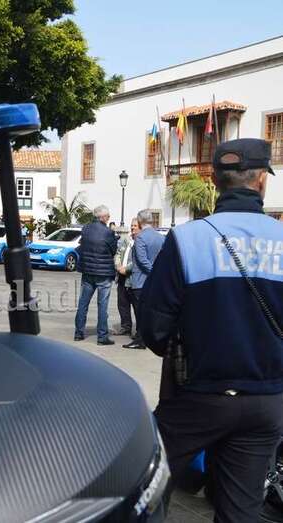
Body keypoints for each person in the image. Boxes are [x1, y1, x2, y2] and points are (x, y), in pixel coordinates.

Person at [141, 138, 283, 522]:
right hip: (266, 401)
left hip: (199, 397)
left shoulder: (188, 239)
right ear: (261, 182)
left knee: (137, 481)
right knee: (241, 511)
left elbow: (152, 327)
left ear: (216, 181)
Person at [73, 205, 118, 345]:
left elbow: (82, 247)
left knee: (83, 303)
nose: (109, 218)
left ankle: (78, 333)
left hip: (87, 271)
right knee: (102, 305)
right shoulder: (108, 232)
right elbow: (113, 250)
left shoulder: (85, 229)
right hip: (104, 273)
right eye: (108, 216)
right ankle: (102, 336)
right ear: (103, 217)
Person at [122, 210, 164, 350]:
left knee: (140, 313)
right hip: (154, 281)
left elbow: (141, 260)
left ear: (140, 222)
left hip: (140, 281)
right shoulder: (160, 237)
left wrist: (153, 273)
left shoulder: (140, 238)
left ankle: (140, 340)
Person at [114, 218, 140, 337]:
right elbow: (118, 253)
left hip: (133, 279)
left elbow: (138, 261)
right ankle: (125, 327)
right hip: (121, 277)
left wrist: (127, 269)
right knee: (122, 304)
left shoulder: (140, 242)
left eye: (135, 226)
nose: (132, 227)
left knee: (137, 306)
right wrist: (118, 265)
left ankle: (139, 331)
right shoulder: (126, 240)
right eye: (132, 225)